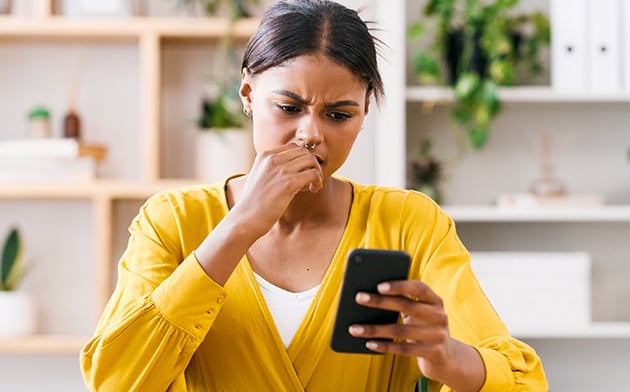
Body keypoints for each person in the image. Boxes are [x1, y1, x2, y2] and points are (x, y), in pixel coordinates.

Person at [80, 0, 548, 391]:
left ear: (365, 111)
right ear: (247, 92)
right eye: (288, 107)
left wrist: (448, 359)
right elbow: (116, 378)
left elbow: (525, 381)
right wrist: (240, 227)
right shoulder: (172, 221)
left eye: (339, 115)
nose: (310, 134)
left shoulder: (409, 222)